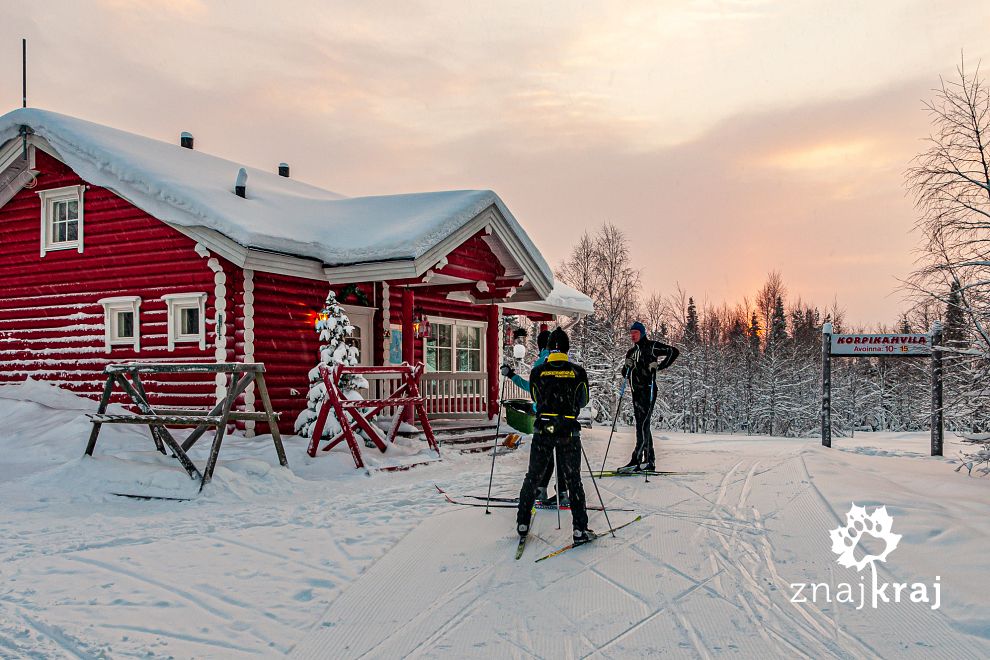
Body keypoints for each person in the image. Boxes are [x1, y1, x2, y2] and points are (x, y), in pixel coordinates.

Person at [516, 328, 593, 543]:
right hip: (568, 430)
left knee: (533, 476)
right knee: (573, 479)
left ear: (549, 348)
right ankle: (579, 529)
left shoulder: (538, 371)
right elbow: (583, 400)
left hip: (544, 430)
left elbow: (534, 396)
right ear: (567, 348)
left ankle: (522, 523)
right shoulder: (577, 372)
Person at [500, 329, 566, 505]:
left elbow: (532, 388)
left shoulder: (541, 363)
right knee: (560, 453)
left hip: (544, 415)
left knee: (544, 455)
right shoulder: (563, 361)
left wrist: (512, 375)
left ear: (541, 345)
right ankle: (563, 491)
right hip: (564, 416)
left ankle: (541, 490)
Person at [617, 321, 679, 473]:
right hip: (635, 393)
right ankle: (649, 461)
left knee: (642, 425)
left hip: (648, 390)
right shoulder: (631, 352)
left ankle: (636, 460)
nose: (632, 336)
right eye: (631, 333)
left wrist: (659, 366)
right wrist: (627, 365)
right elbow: (625, 374)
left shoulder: (652, 346)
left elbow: (673, 351)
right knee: (642, 425)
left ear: (642, 333)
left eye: (635, 333)